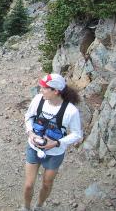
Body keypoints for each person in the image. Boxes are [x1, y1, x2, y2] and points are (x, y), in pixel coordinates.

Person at [22, 73, 82, 211]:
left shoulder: (71, 111)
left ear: (56, 91)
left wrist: (55, 143)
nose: (40, 91)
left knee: (47, 184)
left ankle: (39, 206)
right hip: (34, 147)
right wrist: (30, 133)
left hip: (55, 153)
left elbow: (77, 134)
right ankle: (25, 208)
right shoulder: (38, 100)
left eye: (44, 88)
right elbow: (28, 116)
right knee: (28, 185)